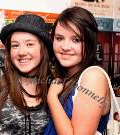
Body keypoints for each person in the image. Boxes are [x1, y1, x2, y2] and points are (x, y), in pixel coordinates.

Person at [0, 14, 53, 134]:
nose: (21, 52)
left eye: (29, 44)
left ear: (43, 48)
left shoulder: (52, 86)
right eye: (15, 45)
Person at [44, 6, 111, 135]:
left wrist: (52, 98)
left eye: (76, 40)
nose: (65, 47)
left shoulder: (93, 76)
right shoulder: (65, 77)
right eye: (59, 38)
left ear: (90, 43)